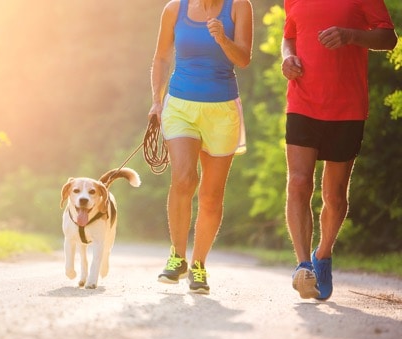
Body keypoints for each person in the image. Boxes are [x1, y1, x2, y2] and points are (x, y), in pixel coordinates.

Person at [281, 0, 397, 300]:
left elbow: (388, 38)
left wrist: (350, 35)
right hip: (302, 100)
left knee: (334, 195)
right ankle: (303, 266)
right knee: (298, 182)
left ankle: (323, 254)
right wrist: (288, 58)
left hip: (347, 107)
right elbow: (289, 36)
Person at [148, 0, 253, 294]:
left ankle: (198, 265)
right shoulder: (174, 9)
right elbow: (161, 58)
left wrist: (222, 38)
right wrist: (157, 100)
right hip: (180, 105)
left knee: (211, 195)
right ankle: (177, 257)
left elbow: (243, 59)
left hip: (222, 110)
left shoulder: (238, 7)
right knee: (183, 178)